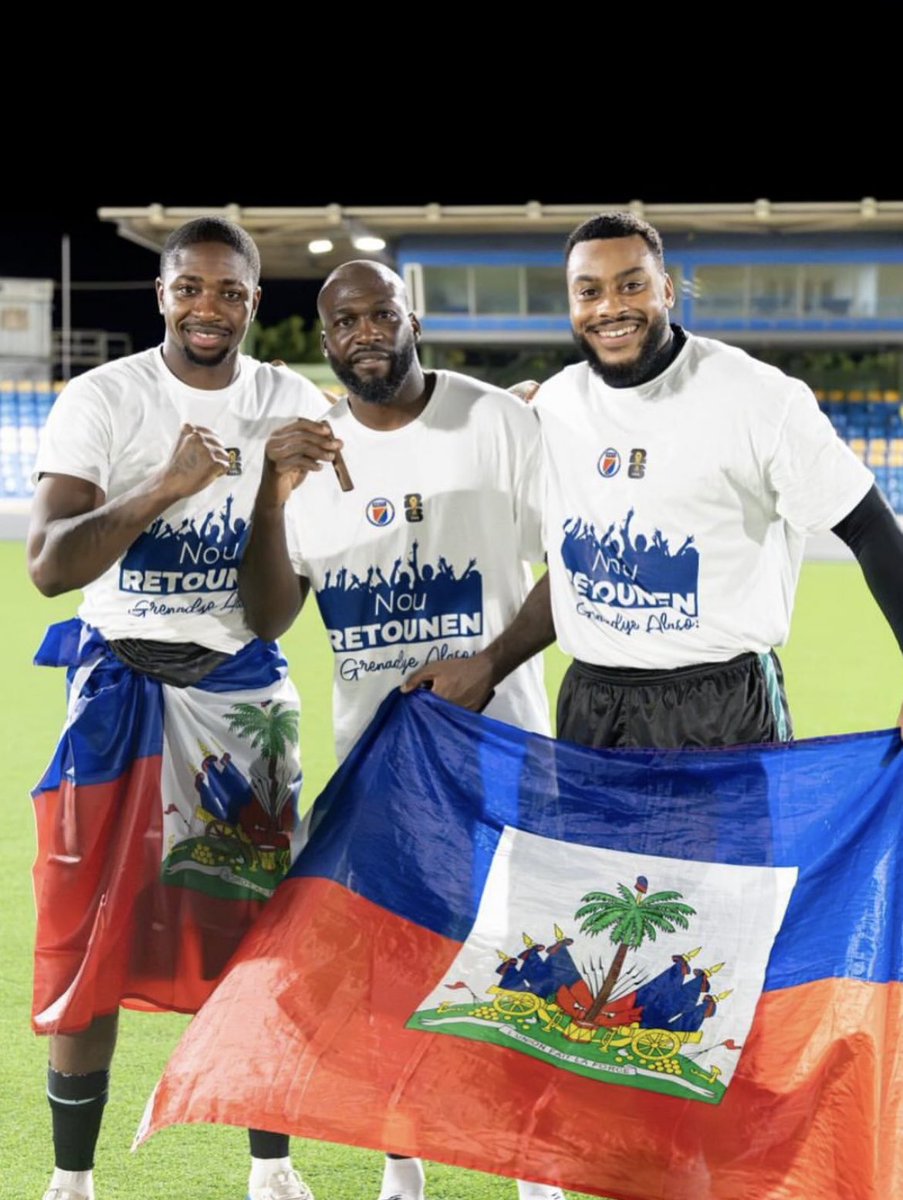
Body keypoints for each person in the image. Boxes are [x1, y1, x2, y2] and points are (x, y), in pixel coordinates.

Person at [238, 261, 563, 1200]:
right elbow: (267, 617)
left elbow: (567, 568)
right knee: (401, 967)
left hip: (507, 742)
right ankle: (403, 1160)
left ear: (408, 315)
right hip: (380, 762)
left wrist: (490, 663)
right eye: (345, 320)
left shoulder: (497, 420)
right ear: (324, 338)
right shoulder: (303, 452)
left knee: (520, 954)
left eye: (381, 312)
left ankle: (530, 1164)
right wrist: (270, 490)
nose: (365, 331)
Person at [27, 218, 325, 1200]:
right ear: (162, 295)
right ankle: (72, 1182)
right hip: (118, 693)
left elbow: (275, 611)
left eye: (230, 292)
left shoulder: (287, 400)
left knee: (257, 932)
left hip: (243, 700)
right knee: (86, 932)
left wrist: (274, 492)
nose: (210, 308)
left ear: (252, 302)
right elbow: (48, 567)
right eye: (191, 288)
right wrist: (168, 482)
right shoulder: (103, 398)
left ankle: (271, 1169)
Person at [410, 210, 903, 751]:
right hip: (592, 706)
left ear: (666, 290)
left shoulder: (758, 398)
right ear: (571, 304)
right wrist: (490, 664)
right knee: (589, 843)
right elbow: (578, 572)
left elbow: (870, 528)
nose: (610, 307)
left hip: (720, 709)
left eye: (631, 285)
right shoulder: (554, 404)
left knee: (733, 842)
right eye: (589, 291)